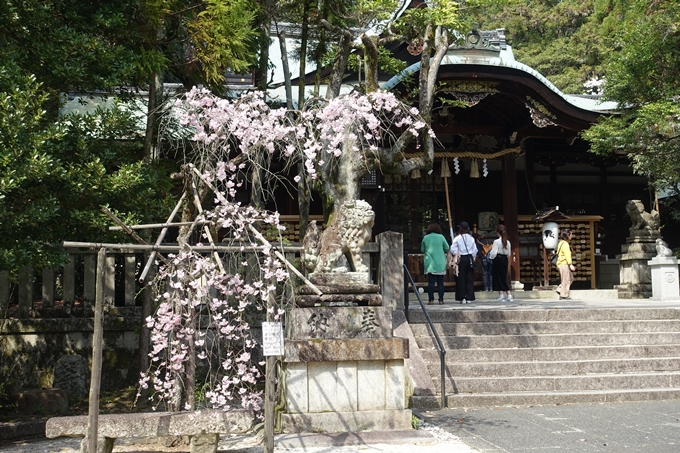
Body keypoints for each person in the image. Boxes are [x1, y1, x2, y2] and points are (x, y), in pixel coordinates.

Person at [421, 223, 450, 305]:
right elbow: (447, 248)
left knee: (431, 282)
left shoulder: (425, 238)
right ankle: (441, 300)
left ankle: (431, 300)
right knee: (440, 282)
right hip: (440, 262)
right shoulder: (441, 237)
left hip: (430, 263)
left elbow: (422, 250)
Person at [449, 221, 477, 304]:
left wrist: (457, 254)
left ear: (460, 228)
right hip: (469, 258)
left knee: (461, 278)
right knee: (469, 278)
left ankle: (462, 297)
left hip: (461, 258)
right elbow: (475, 250)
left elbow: (453, 249)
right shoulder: (471, 238)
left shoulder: (457, 238)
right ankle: (469, 297)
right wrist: (472, 256)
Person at [488, 224, 512, 301]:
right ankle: (506, 295)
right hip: (505, 259)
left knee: (498, 277)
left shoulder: (496, 241)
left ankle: (504, 294)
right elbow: (509, 253)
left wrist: (490, 257)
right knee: (503, 276)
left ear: (498, 232)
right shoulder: (508, 242)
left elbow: (493, 252)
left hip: (497, 259)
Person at [556, 228, 576, 300]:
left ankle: (559, 289)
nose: (571, 236)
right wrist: (570, 264)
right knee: (566, 280)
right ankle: (564, 295)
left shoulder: (560, 243)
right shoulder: (565, 244)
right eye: (571, 234)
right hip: (564, 263)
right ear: (568, 235)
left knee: (570, 278)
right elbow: (567, 255)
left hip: (560, 263)